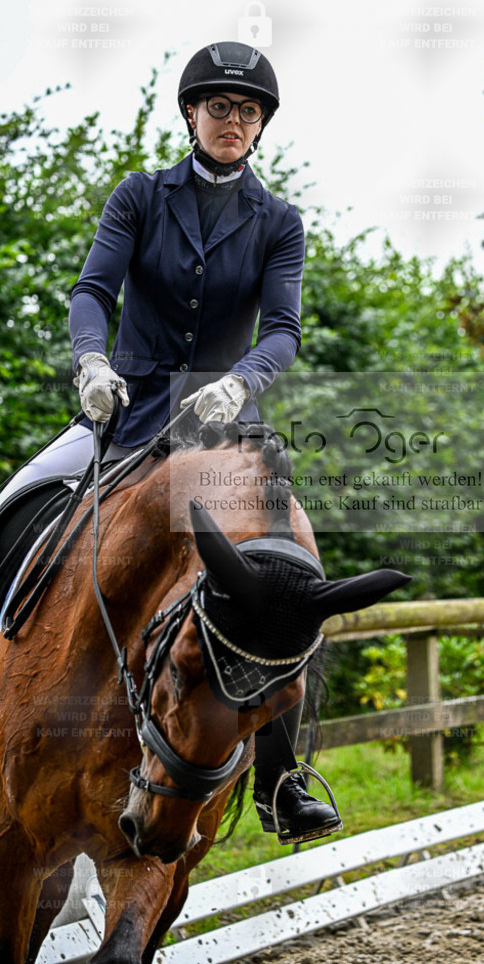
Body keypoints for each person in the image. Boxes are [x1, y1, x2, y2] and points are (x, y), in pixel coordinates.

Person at [0, 41, 341, 844]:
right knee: (13, 499)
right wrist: (90, 361)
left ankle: (282, 779)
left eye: (248, 111)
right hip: (121, 410)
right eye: (220, 107)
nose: (234, 121)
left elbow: (284, 330)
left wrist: (241, 381)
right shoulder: (140, 196)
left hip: (220, 431)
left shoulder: (279, 221)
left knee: (294, 569)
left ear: (261, 127)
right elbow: (93, 290)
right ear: (192, 114)